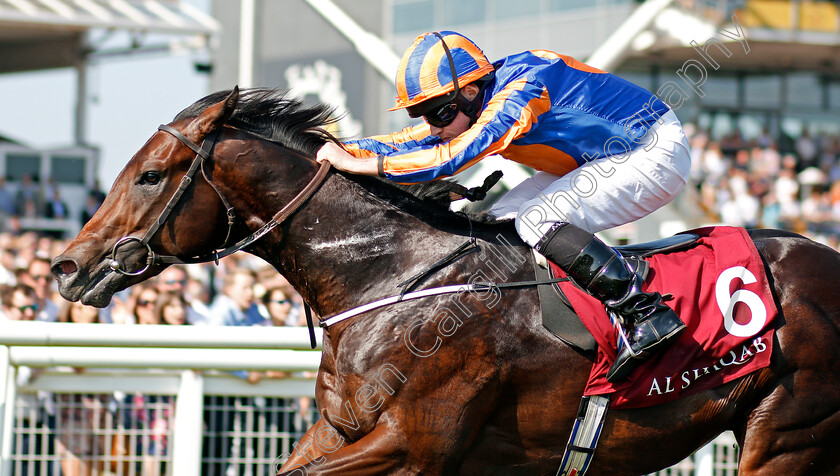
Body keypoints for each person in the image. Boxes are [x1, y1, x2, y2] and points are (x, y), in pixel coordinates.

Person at [315, 31, 691, 382]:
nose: (432, 126)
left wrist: (360, 165)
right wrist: (328, 147)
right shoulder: (473, 102)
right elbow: (406, 142)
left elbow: (453, 157)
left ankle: (644, 311)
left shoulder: (523, 87)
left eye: (438, 113)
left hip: (652, 150)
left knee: (536, 219)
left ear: (472, 91)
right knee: (493, 227)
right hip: (599, 159)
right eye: (424, 114)